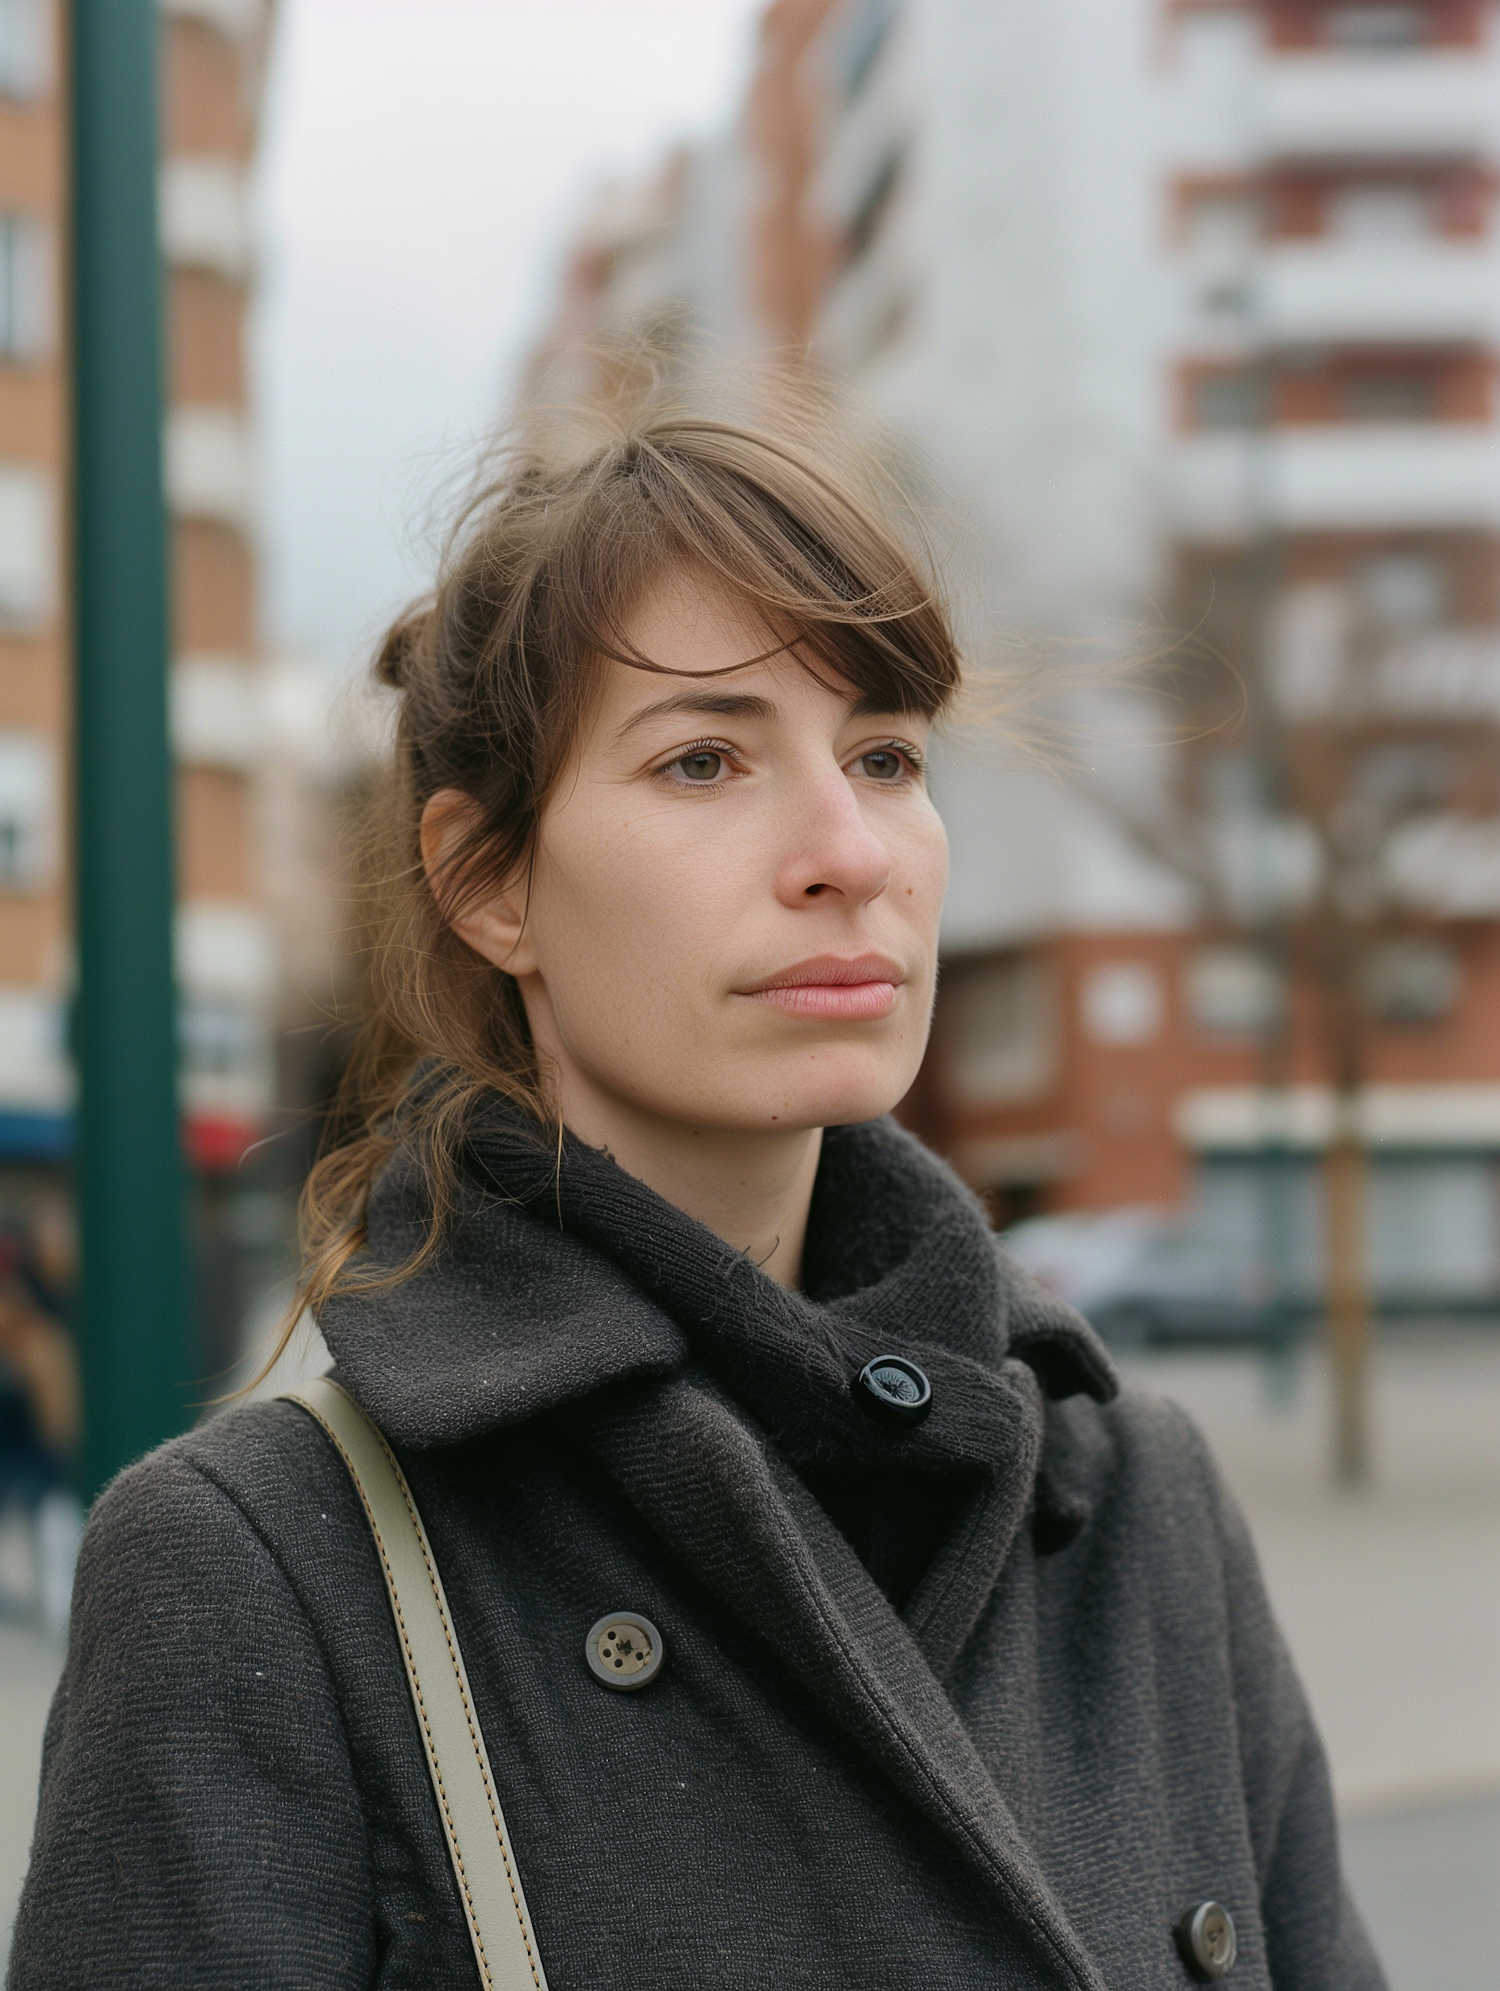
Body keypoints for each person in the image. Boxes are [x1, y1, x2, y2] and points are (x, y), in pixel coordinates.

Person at [10, 411, 1383, 1989]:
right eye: (705, 759)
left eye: (884, 754)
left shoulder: (1137, 1499)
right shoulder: (263, 1569)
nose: (848, 851)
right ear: (488, 883)